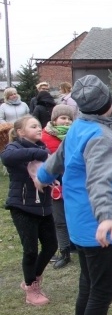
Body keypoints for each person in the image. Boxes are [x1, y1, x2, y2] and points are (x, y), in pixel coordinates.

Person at [37, 75, 112, 315]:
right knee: (100, 292)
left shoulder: (77, 127)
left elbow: (57, 160)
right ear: (108, 103)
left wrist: (43, 175)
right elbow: (99, 181)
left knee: (88, 287)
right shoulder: (102, 137)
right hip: (96, 226)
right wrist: (105, 218)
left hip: (78, 221)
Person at [1, 115, 58, 305]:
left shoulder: (43, 147)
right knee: (31, 250)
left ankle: (34, 277)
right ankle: (31, 288)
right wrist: (37, 154)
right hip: (22, 207)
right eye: (33, 126)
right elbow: (7, 158)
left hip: (44, 207)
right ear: (20, 132)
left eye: (38, 125)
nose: (38, 128)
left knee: (51, 245)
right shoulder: (14, 148)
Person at [41, 105, 75, 269]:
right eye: (63, 118)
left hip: (75, 183)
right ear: (54, 120)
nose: (67, 122)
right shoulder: (44, 137)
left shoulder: (76, 135)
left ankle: (75, 244)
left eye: (69, 119)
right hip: (55, 184)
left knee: (74, 216)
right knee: (60, 220)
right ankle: (64, 251)